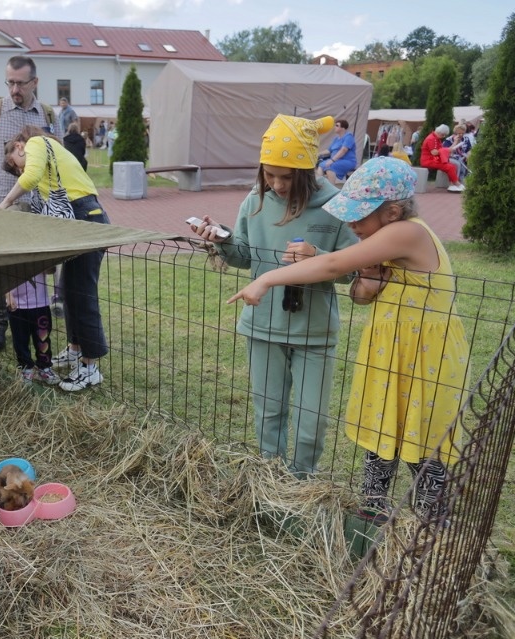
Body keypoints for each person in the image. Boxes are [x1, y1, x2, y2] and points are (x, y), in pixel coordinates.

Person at [233, 157, 469, 524]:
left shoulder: (407, 232)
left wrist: (266, 280)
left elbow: (331, 266)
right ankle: (373, 508)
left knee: (422, 434)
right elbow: (363, 293)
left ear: (392, 211)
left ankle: (434, 521)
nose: (351, 223)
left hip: (425, 354)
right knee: (384, 425)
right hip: (393, 349)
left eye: (359, 215)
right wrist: (373, 280)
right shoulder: (387, 239)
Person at [190, 114, 357, 477]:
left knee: (311, 424)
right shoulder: (255, 202)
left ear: (308, 172)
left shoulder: (336, 207)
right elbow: (245, 258)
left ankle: (302, 483)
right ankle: (271, 482)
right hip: (263, 326)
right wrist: (223, 241)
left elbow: (354, 271)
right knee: (269, 414)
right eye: (269, 175)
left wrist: (319, 258)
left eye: (287, 177)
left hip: (314, 333)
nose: (277, 185)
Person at [0, 125, 108, 392]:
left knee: (82, 295)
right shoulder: (50, 152)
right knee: (69, 292)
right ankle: (74, 350)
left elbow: (31, 176)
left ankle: (90, 367)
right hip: (79, 217)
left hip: (84, 217)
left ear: (19, 147)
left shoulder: (35, 142)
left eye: (16, 165)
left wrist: (4, 204)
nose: (20, 172)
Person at [0, 55, 62, 350]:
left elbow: (57, 161)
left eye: (20, 83)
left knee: (32, 268)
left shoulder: (47, 115)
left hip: (36, 208)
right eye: (10, 82)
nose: (14, 89)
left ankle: (34, 322)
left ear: (35, 82)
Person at [6, 272, 61, 386]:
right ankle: (26, 368)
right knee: (20, 339)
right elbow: (4, 271)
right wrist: (8, 294)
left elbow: (51, 270)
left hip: (40, 303)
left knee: (42, 339)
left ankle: (44, 367)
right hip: (17, 305)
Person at [420, 124, 464, 192]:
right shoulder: (431, 139)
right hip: (429, 161)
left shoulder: (436, 138)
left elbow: (444, 150)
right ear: (440, 133)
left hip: (433, 160)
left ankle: (453, 185)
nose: (443, 137)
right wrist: (447, 150)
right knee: (450, 167)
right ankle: (456, 184)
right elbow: (434, 152)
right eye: (443, 135)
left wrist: (455, 142)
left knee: (452, 166)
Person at [317, 119, 357, 184]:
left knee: (330, 166)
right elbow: (329, 150)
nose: (334, 127)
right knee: (321, 165)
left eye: (337, 125)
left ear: (343, 128)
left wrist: (332, 160)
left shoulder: (349, 136)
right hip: (337, 160)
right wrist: (317, 154)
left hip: (348, 161)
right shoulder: (336, 139)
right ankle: (319, 185)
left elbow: (343, 150)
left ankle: (331, 188)